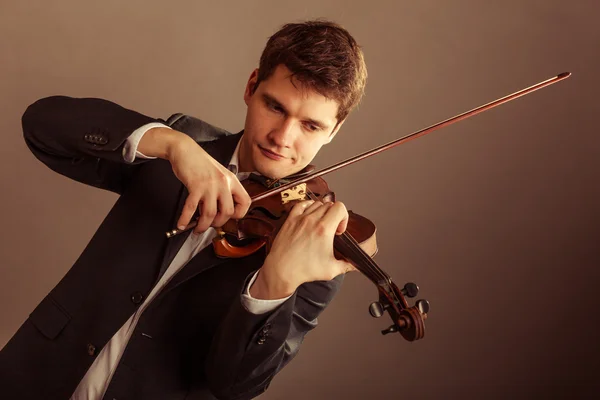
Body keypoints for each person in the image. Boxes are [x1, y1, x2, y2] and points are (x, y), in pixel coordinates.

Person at [0, 19, 368, 400]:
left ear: (334, 130)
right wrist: (170, 144)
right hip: (32, 379)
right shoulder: (185, 144)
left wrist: (277, 283)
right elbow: (41, 125)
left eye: (310, 126)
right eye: (274, 106)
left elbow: (235, 385)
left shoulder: (321, 247)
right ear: (251, 86)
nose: (283, 137)